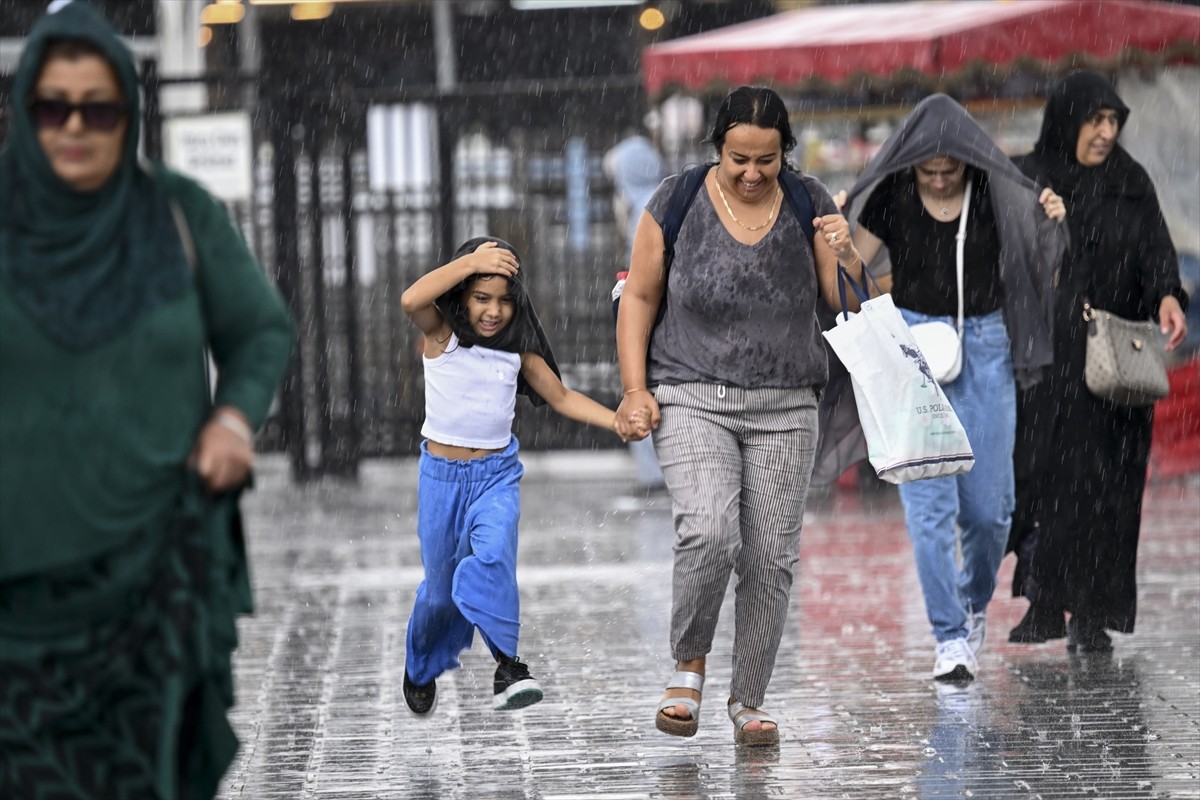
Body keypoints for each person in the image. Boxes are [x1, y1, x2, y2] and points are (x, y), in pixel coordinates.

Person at [0, 2, 294, 798]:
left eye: (98, 109)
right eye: (53, 108)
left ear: (127, 113)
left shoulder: (177, 213)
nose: (75, 127)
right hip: (16, 582)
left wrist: (233, 418)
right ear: (25, 109)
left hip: (152, 575)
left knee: (142, 774)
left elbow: (260, 329)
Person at [615, 85, 859, 747]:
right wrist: (635, 390)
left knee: (771, 558)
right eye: (738, 160)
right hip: (691, 393)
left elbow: (847, 305)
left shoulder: (810, 201)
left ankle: (748, 698)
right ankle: (688, 668)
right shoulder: (675, 200)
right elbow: (639, 297)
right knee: (709, 532)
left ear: (786, 153)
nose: (752, 173)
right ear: (717, 149)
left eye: (766, 161)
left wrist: (846, 251)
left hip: (787, 405)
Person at [831, 94, 1067, 682]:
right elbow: (852, 273)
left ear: (967, 158)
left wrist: (1052, 219)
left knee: (989, 512)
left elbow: (1045, 260)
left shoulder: (996, 191)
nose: (938, 179)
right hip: (914, 347)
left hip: (986, 346)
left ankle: (972, 601)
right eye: (927, 170)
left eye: (949, 169)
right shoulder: (891, 194)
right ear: (909, 161)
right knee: (928, 508)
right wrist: (840, 241)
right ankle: (949, 636)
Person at [399, 236, 647, 716]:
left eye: (504, 301)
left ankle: (508, 665)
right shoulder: (441, 336)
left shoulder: (518, 353)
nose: (493, 311)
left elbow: (562, 397)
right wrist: (470, 262)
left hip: (496, 476)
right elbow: (412, 299)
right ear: (461, 296)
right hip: (441, 481)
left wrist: (616, 420)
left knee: (494, 556)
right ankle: (421, 664)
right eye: (481, 298)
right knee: (439, 595)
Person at [1007, 70, 1188, 652]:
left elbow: (1156, 249)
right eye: (1095, 120)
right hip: (1054, 365)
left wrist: (1167, 296)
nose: (1106, 132)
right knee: (1053, 482)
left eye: (1113, 121)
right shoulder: (1032, 177)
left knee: (1112, 491)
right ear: (1067, 120)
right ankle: (1044, 602)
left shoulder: (1129, 181)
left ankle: (1092, 614)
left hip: (1118, 364)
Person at [605, 129, 667, 490]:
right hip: (655, 314)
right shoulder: (657, 199)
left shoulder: (643, 208)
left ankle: (654, 473)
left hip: (648, 316)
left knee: (639, 384)